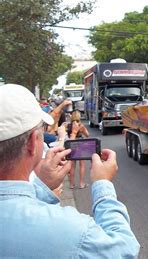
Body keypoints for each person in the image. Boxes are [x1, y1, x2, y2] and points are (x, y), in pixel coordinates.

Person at [0, 84, 140, 257]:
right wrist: (103, 186)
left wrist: (41, 187)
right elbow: (125, 249)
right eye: (42, 129)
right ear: (32, 142)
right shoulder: (73, 232)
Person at [66, 110, 90, 189]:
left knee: (72, 166)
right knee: (82, 165)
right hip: (80, 144)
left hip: (71, 144)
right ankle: (81, 183)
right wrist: (83, 130)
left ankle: (71, 184)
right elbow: (87, 135)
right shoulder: (81, 125)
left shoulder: (68, 126)